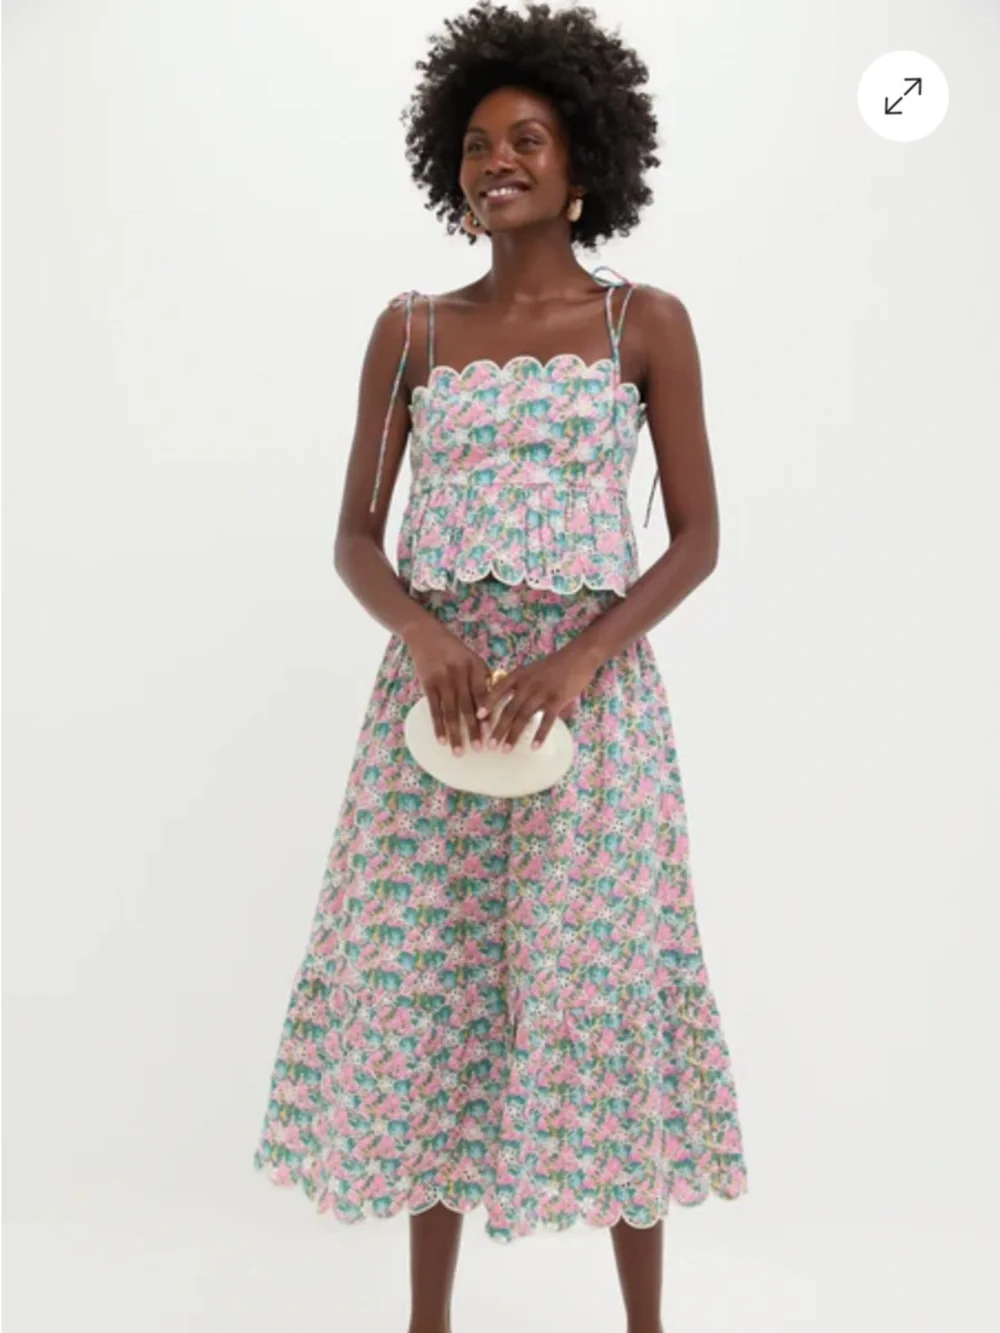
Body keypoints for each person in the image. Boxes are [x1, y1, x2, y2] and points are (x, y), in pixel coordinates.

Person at [253, 3, 748, 1330]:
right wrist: (424, 635)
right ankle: (429, 1319)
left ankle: (646, 1322)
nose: (496, 163)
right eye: (476, 145)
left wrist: (582, 658)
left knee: (604, 990)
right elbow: (357, 539)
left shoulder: (644, 323)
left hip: (593, 708)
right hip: (440, 711)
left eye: (526, 139)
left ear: (585, 160)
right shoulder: (411, 331)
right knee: (432, 991)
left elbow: (699, 538)